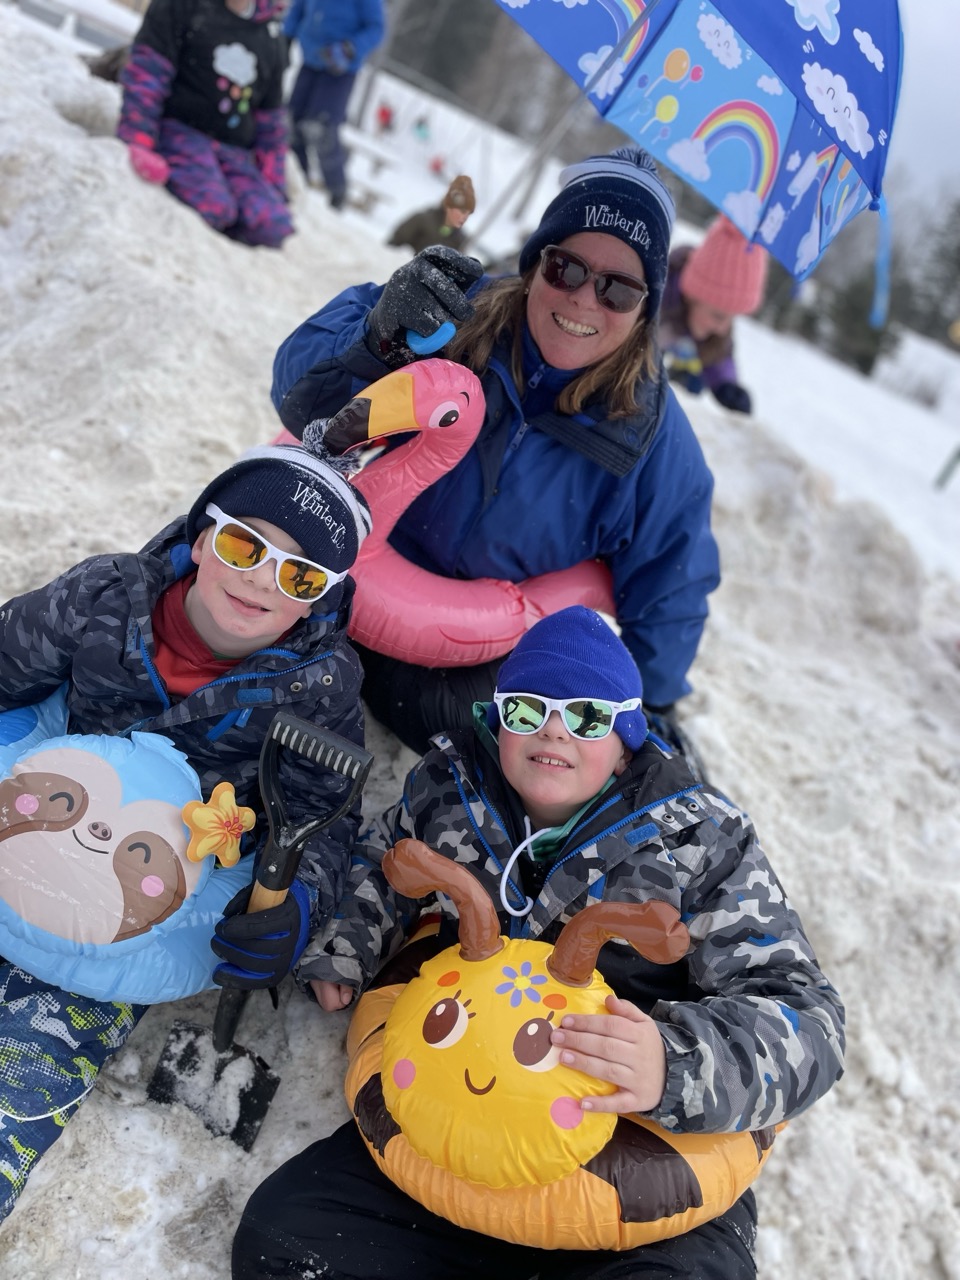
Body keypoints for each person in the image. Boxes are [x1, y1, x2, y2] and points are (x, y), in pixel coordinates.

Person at [232, 605, 846, 1279]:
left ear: (626, 741)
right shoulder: (450, 789)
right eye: (527, 709)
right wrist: (349, 943)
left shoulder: (701, 843)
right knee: (287, 1239)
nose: (553, 730)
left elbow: (807, 1017)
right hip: (465, 1116)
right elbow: (384, 857)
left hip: (627, 1166)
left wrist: (671, 1063)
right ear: (499, 723)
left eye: (586, 716)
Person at [0, 441, 372, 1222]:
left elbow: (324, 823)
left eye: (299, 575)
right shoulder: (104, 601)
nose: (260, 579)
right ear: (202, 538)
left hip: (141, 898)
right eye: (246, 544)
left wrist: (295, 909)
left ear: (318, 598)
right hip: (46, 819)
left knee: (24, 1071)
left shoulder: (318, 688)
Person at [270, 145, 721, 759]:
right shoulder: (450, 315)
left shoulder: (650, 440)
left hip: (463, 661)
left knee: (511, 751)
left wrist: (654, 705)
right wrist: (373, 340)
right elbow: (298, 396)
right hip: (335, 582)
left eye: (618, 290)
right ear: (536, 265)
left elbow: (672, 577)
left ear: (645, 310)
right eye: (567, 268)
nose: (585, 300)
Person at [116, 0, 294, 249]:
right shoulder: (182, 7)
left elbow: (271, 125)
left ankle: (227, 245)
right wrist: (138, 138)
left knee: (272, 224)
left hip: (232, 152)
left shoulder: (270, 38)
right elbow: (148, 74)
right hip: (180, 133)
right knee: (213, 206)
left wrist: (274, 183)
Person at [659, 214, 769, 415]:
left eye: (732, 318)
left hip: (679, 366)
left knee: (693, 382)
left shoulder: (712, 325)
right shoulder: (659, 300)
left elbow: (719, 354)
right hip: (641, 358)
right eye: (718, 316)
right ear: (692, 296)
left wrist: (725, 385)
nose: (724, 327)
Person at [283, 0, 384, 210]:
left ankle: (337, 188)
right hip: (311, 59)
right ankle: (296, 180)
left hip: (340, 68)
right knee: (292, 124)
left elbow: (376, 28)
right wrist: (287, 37)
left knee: (320, 129)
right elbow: (298, 10)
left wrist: (350, 48)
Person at [387, 174, 477, 256]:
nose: (465, 217)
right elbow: (392, 245)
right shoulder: (422, 220)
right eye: (462, 211)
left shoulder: (460, 240)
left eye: (468, 213)